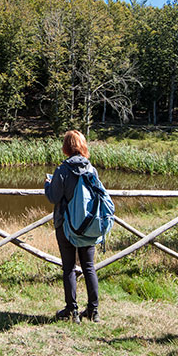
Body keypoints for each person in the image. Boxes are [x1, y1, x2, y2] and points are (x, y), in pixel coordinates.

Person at [44, 130, 101, 324]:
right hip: (87, 226)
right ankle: (93, 311)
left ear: (66, 147)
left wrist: (47, 184)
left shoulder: (63, 170)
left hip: (66, 226)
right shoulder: (92, 169)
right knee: (89, 267)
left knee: (68, 268)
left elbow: (53, 197)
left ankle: (72, 311)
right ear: (83, 146)